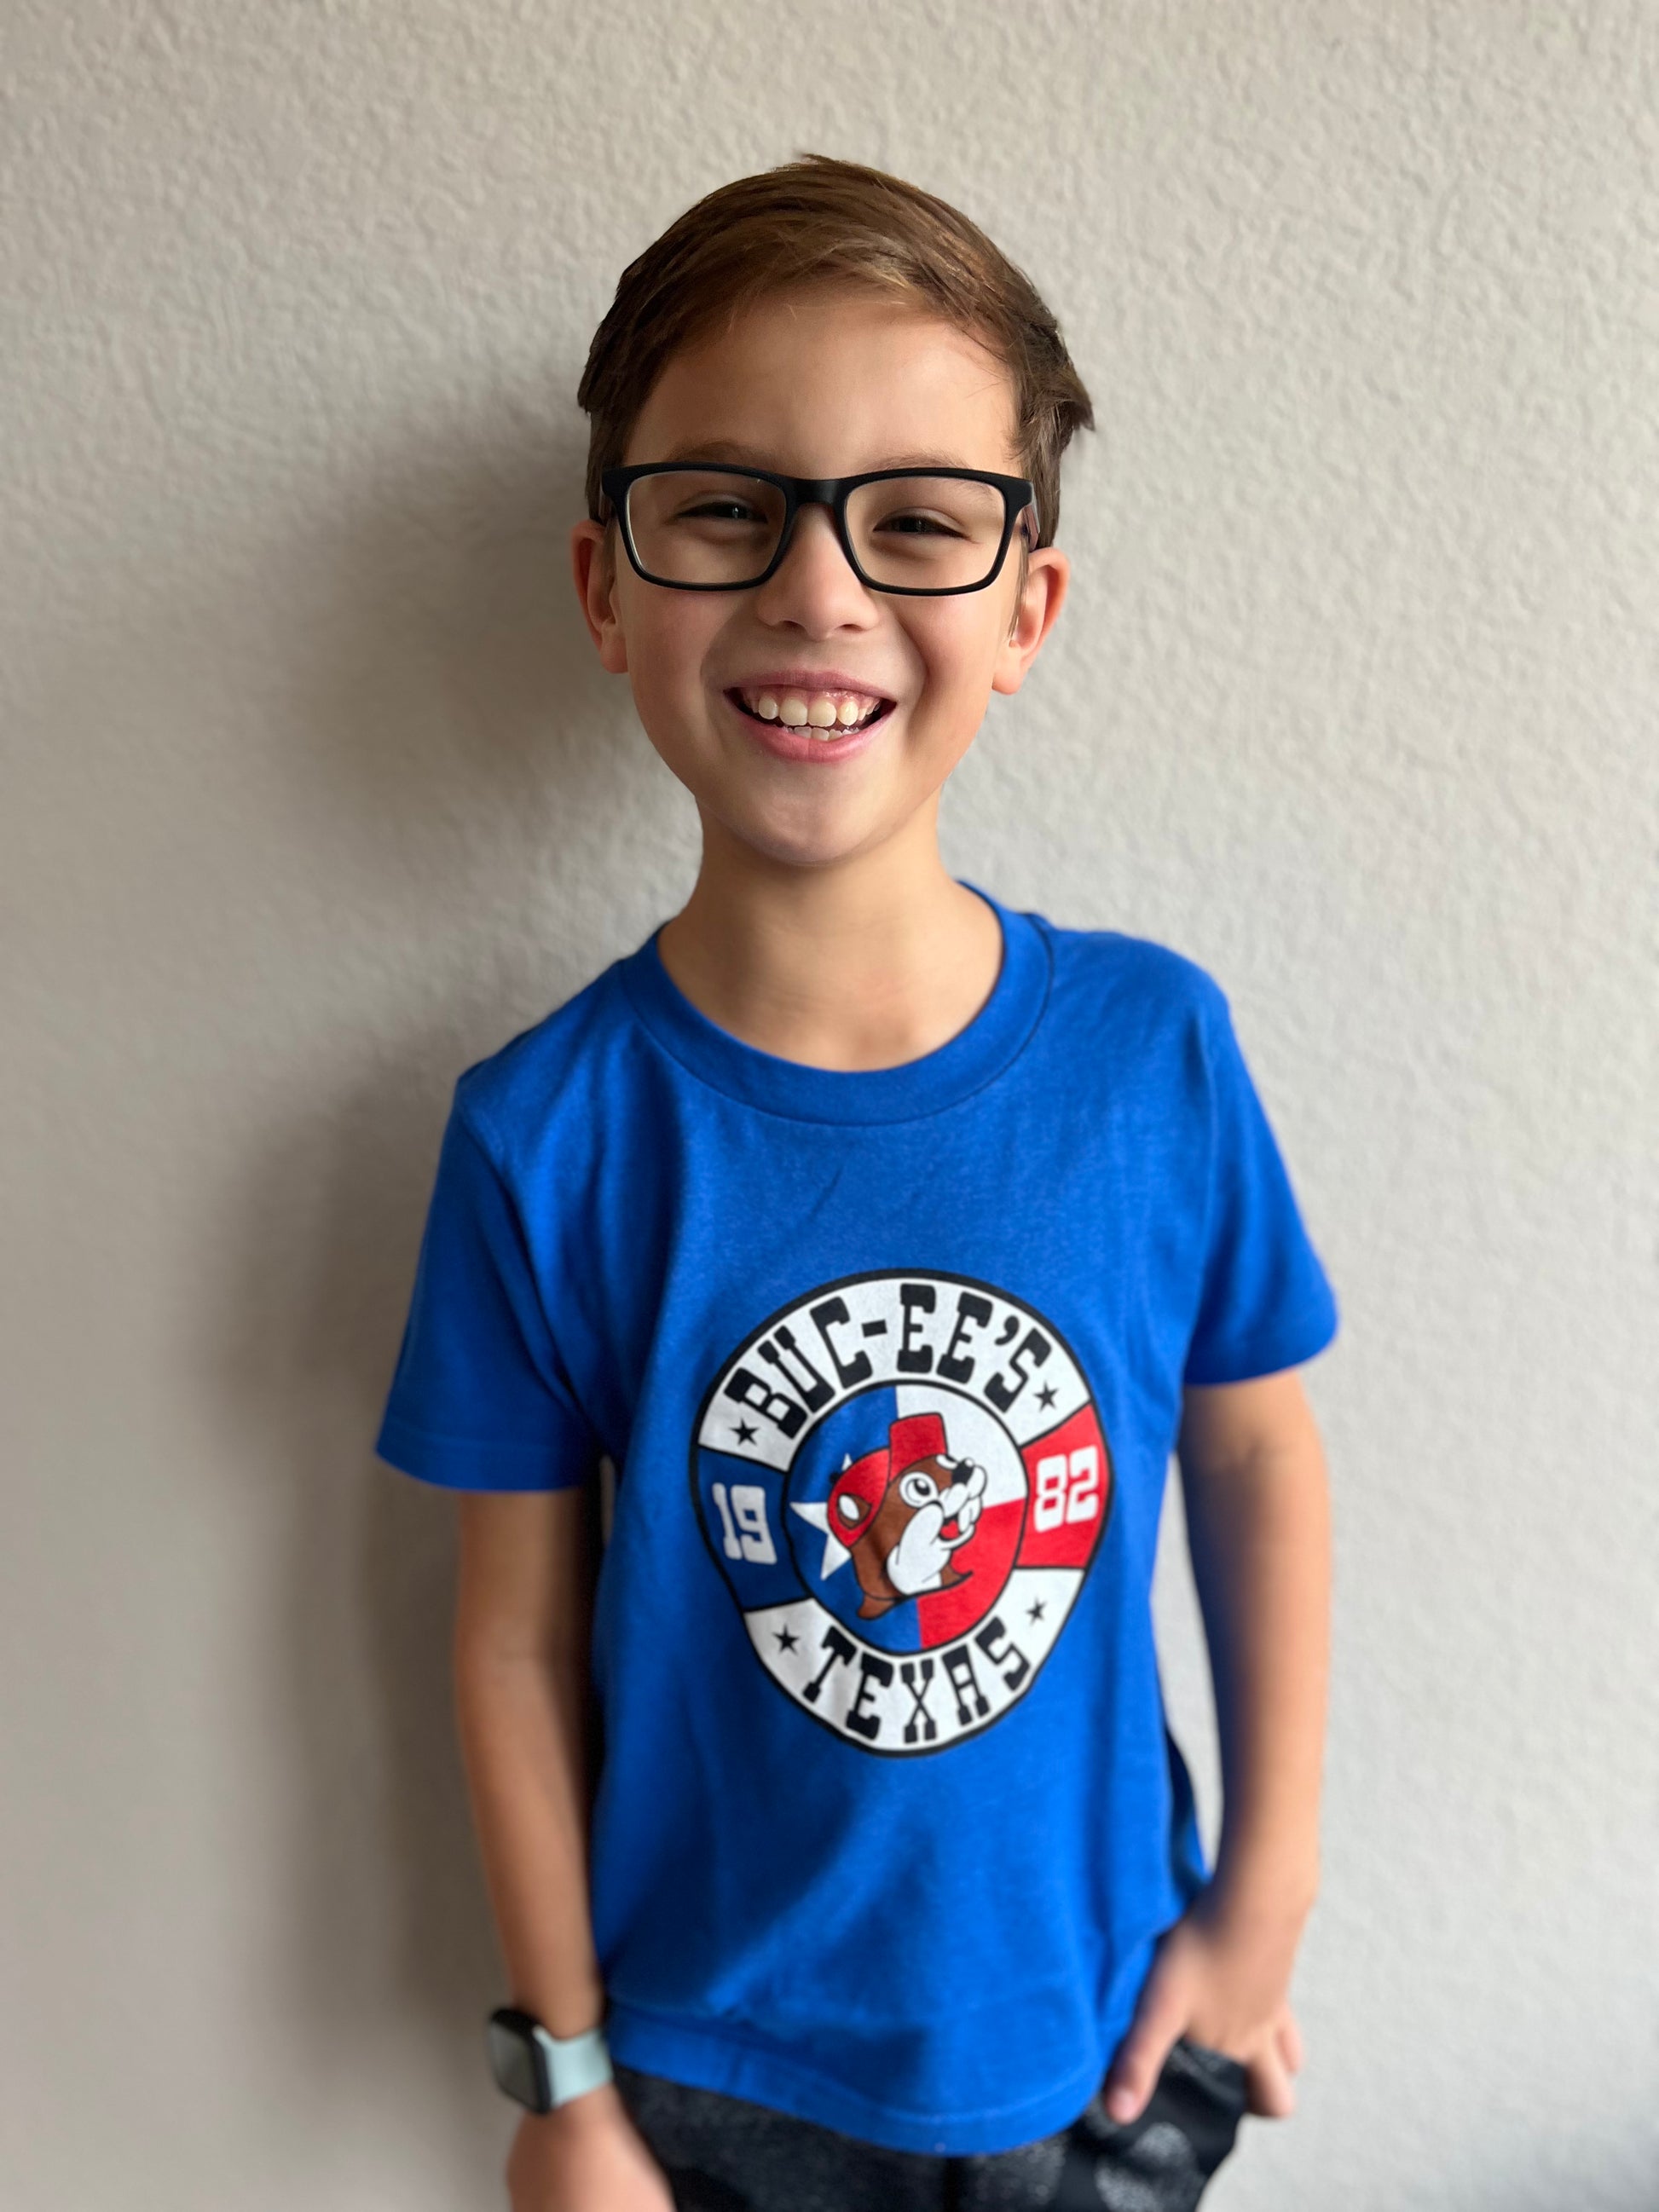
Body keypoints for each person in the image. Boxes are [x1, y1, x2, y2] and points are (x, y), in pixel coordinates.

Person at [373, 154, 1339, 2212]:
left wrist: (1262, 1892)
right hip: (717, 2081)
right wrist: (562, 2081)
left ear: (1025, 611)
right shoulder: (546, 1134)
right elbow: (511, 1645)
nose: (818, 589)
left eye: (914, 519)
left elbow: (1258, 1460)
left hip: (1107, 2035)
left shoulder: (1152, 1055)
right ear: (605, 584)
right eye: (727, 505)